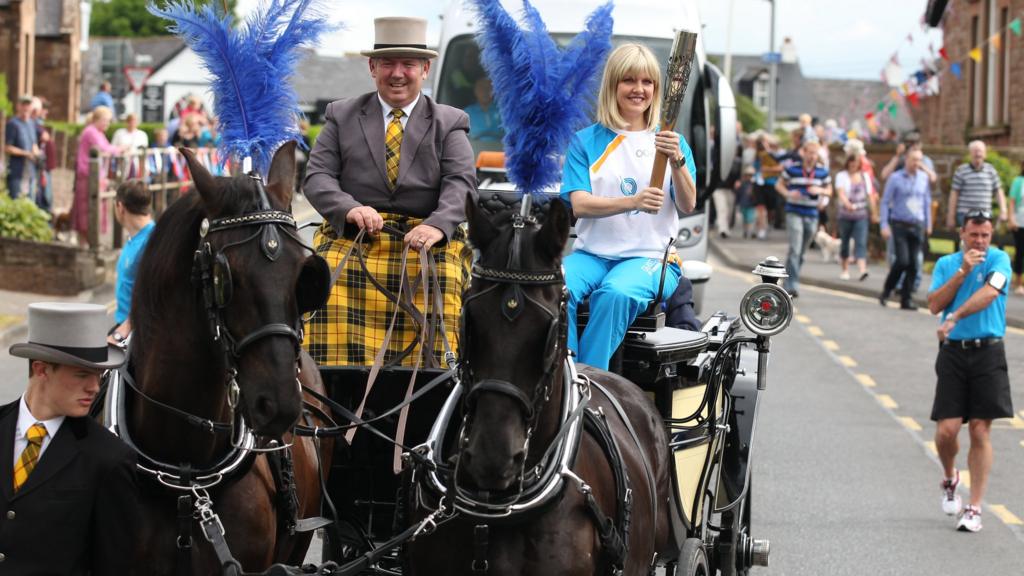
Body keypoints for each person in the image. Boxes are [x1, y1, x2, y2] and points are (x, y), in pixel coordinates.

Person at [303, 16, 476, 367]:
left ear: (425, 69)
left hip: (425, 238)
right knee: (327, 274)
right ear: (372, 67)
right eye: (387, 63)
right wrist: (348, 208)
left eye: (408, 64)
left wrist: (438, 225)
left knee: (443, 278)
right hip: (355, 236)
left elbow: (461, 183)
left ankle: (435, 385)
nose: (398, 73)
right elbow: (317, 177)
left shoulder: (450, 121)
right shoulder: (341, 115)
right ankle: (329, 387)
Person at [560, 43, 697, 370]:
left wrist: (677, 161)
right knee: (555, 287)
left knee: (615, 294)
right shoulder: (586, 142)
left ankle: (589, 382)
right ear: (613, 86)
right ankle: (561, 374)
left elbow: (689, 204)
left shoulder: (672, 143)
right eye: (629, 81)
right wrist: (632, 202)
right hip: (592, 254)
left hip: (650, 258)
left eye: (647, 82)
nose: (639, 89)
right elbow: (579, 204)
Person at [3, 301, 139, 573]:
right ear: (41, 370)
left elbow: (116, 566)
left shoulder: (110, 459)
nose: (94, 387)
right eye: (82, 375)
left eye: (98, 375)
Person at [927, 210, 1013, 533]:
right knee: (946, 431)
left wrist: (957, 315)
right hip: (954, 353)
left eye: (985, 235)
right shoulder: (947, 265)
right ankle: (950, 477)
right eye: (974, 235)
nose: (980, 241)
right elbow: (934, 305)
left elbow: (992, 292)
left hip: (989, 351)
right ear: (962, 233)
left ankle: (974, 508)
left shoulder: (999, 260)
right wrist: (962, 272)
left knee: (980, 429)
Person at [775, 138, 832, 298]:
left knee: (801, 252)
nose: (812, 156)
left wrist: (820, 191)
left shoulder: (823, 172)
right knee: (794, 248)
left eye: (815, 153)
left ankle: (790, 279)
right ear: (804, 153)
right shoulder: (792, 169)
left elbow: (829, 191)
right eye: (810, 152)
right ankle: (792, 285)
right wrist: (788, 193)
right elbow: (779, 184)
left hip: (812, 214)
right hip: (794, 211)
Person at [879, 149, 932, 310]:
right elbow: (885, 201)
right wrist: (884, 224)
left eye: (919, 160)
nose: (916, 164)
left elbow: (926, 201)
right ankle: (887, 290)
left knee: (914, 264)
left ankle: (906, 298)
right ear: (907, 160)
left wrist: (929, 223)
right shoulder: (895, 178)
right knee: (902, 260)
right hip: (899, 224)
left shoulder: (923, 178)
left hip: (917, 224)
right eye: (914, 160)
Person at [108, 180, 154, 344]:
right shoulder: (136, 239)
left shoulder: (151, 242)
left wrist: (121, 333)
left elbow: (153, 295)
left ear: (120, 207)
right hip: (125, 328)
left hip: (136, 333)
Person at [73, 106, 123, 248]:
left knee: (94, 208)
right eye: (105, 120)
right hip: (88, 176)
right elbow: (105, 149)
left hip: (94, 175)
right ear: (97, 119)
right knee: (86, 209)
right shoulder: (91, 132)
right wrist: (121, 149)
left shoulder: (98, 132)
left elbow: (107, 147)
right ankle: (85, 243)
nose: (108, 124)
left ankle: (88, 242)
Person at [946, 140, 1008, 229]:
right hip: (965, 215)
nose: (978, 154)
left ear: (985, 154)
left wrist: (1003, 210)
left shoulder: (991, 171)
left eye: (980, 151)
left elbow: (998, 191)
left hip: (985, 215)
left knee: (983, 241)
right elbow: (954, 194)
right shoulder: (961, 171)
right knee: (967, 241)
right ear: (970, 153)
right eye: (975, 151)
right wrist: (950, 216)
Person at [834, 150, 875, 281]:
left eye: (856, 162)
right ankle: (845, 269)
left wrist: (874, 212)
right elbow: (840, 193)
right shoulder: (841, 175)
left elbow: (870, 195)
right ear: (848, 163)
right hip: (845, 214)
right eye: (851, 162)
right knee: (845, 242)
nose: (853, 165)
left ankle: (862, 269)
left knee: (861, 242)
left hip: (861, 214)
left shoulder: (865, 177)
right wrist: (847, 204)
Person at [4, 95, 40, 200]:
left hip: (30, 171)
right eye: (23, 104)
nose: (25, 107)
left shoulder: (31, 124)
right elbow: (7, 147)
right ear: (18, 106)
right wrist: (26, 154)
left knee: (30, 201)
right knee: (16, 201)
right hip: (16, 171)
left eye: (28, 105)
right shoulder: (12, 124)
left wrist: (37, 154)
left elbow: (34, 144)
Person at [31, 97, 56, 214]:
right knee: (44, 196)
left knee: (47, 195)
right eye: (44, 109)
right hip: (41, 166)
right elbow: (43, 137)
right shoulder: (34, 124)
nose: (46, 112)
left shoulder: (39, 124)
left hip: (45, 165)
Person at [463, 76, 503, 142]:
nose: (485, 91)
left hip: (500, 150)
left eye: (488, 88)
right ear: (476, 91)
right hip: (475, 149)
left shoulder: (502, 111)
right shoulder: (467, 113)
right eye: (481, 88)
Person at [1009, 160, 1024, 295]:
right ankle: (1018, 282)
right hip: (1020, 222)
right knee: (1020, 252)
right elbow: (1012, 201)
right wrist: (1011, 218)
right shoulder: (1018, 181)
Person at [736, 165, 757, 239]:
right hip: (743, 203)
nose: (749, 177)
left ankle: (751, 232)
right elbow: (738, 194)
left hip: (751, 204)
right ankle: (746, 231)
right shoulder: (742, 184)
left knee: (750, 218)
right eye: (748, 175)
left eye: (751, 175)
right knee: (745, 219)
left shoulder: (754, 184)